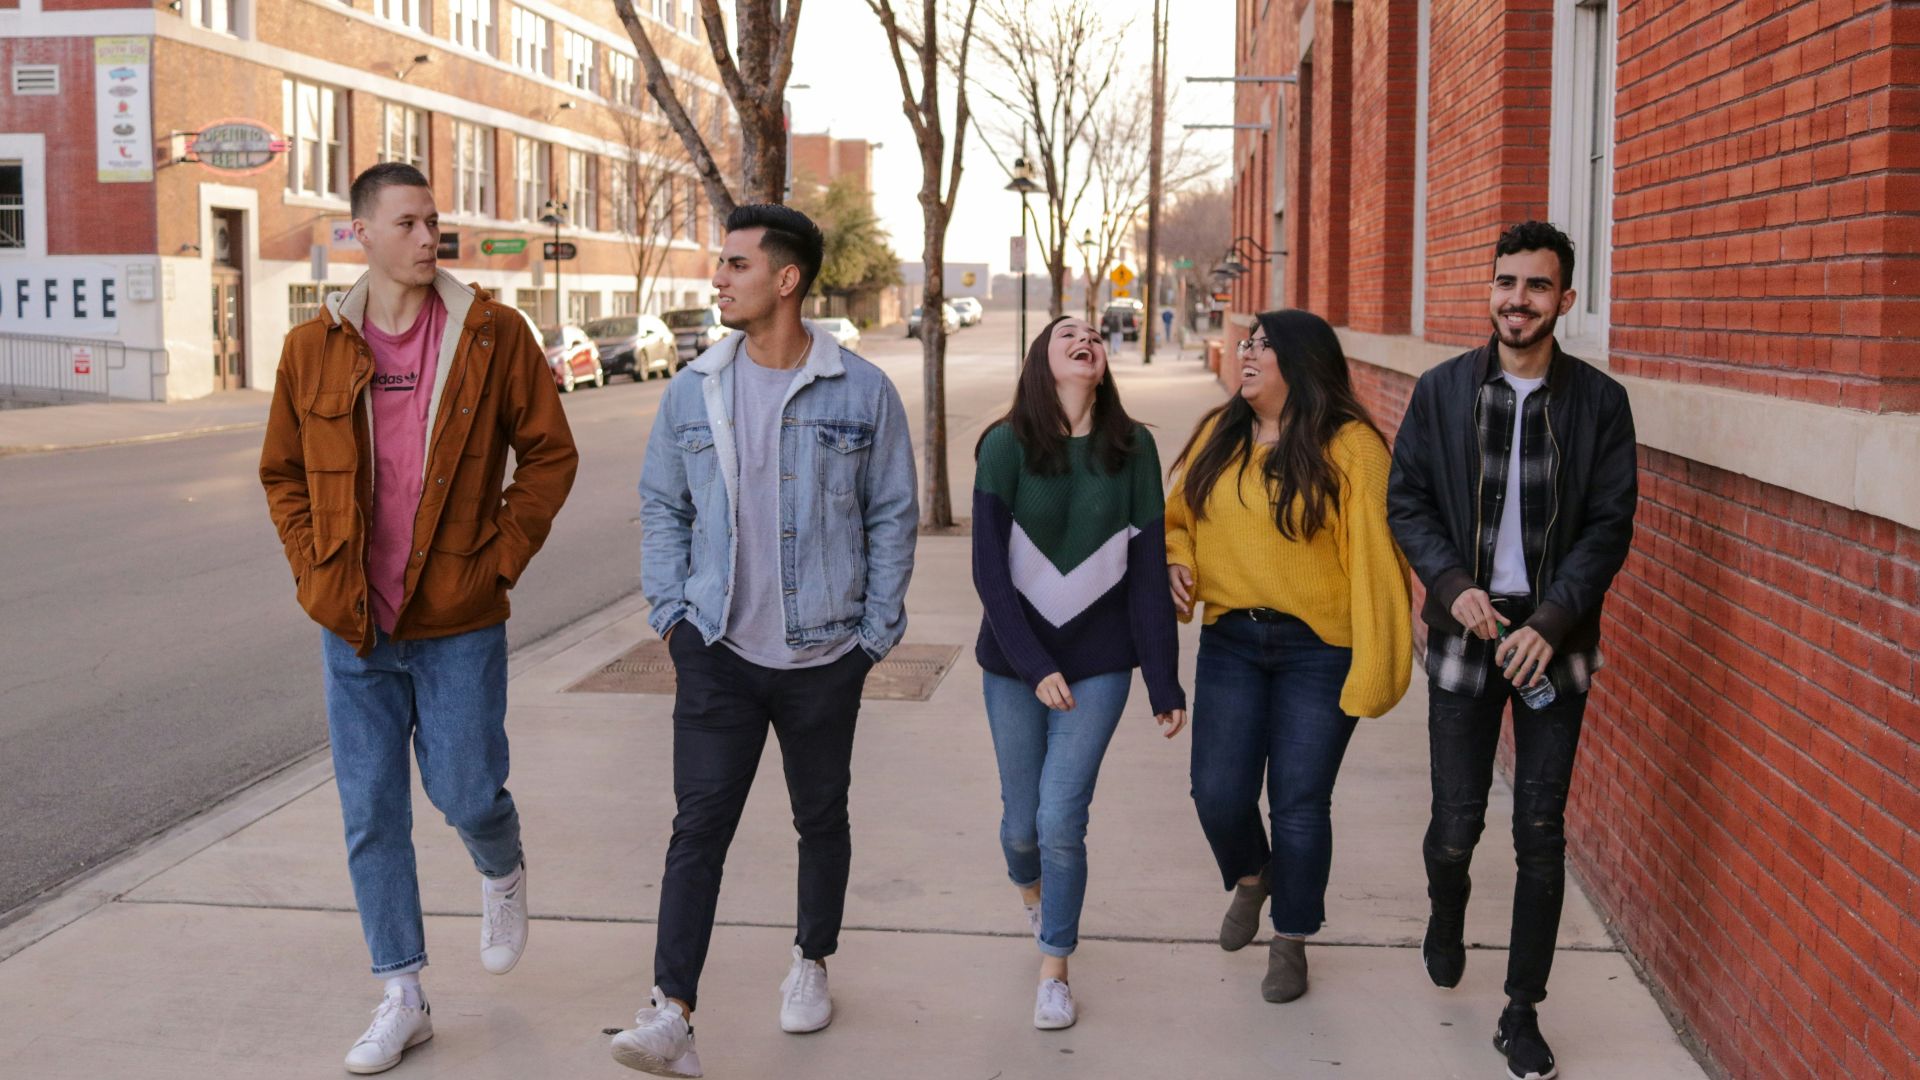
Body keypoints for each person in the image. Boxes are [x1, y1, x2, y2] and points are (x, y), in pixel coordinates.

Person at [259, 162, 578, 1075]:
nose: (428, 236)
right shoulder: (312, 348)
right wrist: (315, 566)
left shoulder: (492, 335)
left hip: (458, 619)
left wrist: (499, 559)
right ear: (361, 233)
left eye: (433, 220)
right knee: (370, 810)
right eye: (407, 222)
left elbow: (550, 456)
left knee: (467, 791)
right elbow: (283, 473)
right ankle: (402, 993)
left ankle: (501, 866)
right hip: (354, 623)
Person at [614, 204, 918, 1077]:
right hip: (716, 650)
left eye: (736, 264)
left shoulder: (862, 391)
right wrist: (672, 617)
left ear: (786, 280)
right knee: (698, 828)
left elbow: (893, 514)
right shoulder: (694, 387)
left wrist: (871, 637)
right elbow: (663, 506)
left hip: (825, 655)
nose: (719, 278)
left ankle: (811, 961)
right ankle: (672, 1012)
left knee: (820, 817)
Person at [1387, 220, 1637, 1080]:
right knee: (1456, 823)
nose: (1517, 300)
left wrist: (1553, 621)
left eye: (1535, 285)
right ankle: (1446, 906)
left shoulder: (1600, 403)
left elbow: (1608, 526)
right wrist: (1450, 582)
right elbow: (1408, 500)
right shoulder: (1443, 392)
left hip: (1552, 641)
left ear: (1565, 299)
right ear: (1489, 289)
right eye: (1506, 282)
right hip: (1467, 631)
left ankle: (1521, 1011)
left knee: (1540, 831)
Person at [1166, 308, 1411, 1005]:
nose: (1246, 352)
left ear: (1301, 362)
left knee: (1300, 803)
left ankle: (1292, 939)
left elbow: (1378, 563)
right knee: (1217, 792)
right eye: (1246, 342)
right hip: (1231, 640)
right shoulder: (1219, 434)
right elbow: (1178, 520)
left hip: (1319, 650)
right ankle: (1254, 876)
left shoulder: (1352, 447)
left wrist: (1377, 664)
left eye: (1264, 346)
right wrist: (1177, 561)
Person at [971, 316, 1188, 1030]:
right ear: (1042, 359)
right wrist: (1034, 666)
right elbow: (989, 574)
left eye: (1093, 333)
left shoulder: (1134, 448)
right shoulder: (1004, 445)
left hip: (1099, 664)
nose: (1084, 338)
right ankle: (1034, 896)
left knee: (1061, 818)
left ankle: (1054, 967)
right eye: (1066, 333)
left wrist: (1163, 680)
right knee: (1020, 828)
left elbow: (1149, 573)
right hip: (1014, 664)